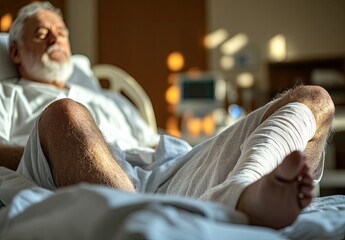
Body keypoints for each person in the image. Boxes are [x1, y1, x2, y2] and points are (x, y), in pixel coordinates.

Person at [0, 1, 335, 230]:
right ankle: (156, 222)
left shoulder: (107, 99)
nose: (56, 38)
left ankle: (243, 191)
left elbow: (150, 138)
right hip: (69, 170)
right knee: (64, 112)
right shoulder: (8, 95)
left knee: (314, 99)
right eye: (42, 33)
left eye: (61, 32)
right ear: (14, 50)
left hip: (166, 171)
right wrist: (59, 144)